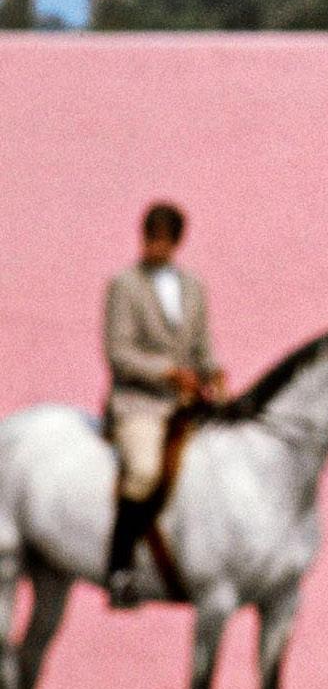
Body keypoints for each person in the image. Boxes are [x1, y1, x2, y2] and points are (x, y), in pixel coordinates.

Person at [103, 200, 224, 609]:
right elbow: (119, 353)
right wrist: (168, 372)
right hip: (139, 402)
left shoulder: (193, 287)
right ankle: (119, 568)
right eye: (150, 238)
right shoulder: (124, 285)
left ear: (176, 242)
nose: (154, 247)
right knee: (143, 471)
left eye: (163, 240)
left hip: (185, 402)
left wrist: (213, 372)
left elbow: (202, 347)